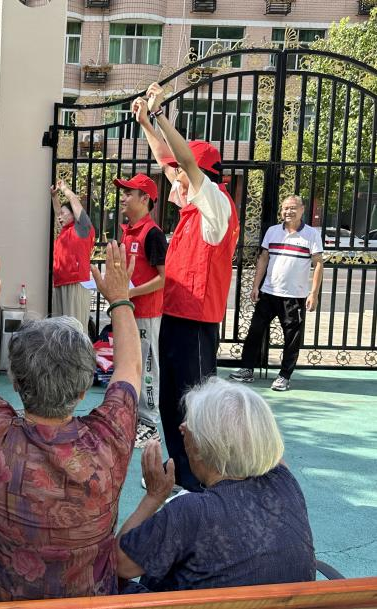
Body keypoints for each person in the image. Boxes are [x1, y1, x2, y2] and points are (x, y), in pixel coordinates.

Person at [0, 244, 141, 601]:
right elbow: (131, 368)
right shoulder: (109, 438)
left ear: (15, 381)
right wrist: (120, 299)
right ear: (85, 388)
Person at [133, 83, 239, 492]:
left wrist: (161, 115)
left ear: (199, 176)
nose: (172, 178)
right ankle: (180, 469)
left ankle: (199, 482)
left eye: (180, 173)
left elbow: (185, 165)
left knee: (195, 406)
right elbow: (169, 160)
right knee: (171, 400)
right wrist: (147, 123)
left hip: (196, 324)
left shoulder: (216, 206)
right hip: (176, 318)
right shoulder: (193, 209)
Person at [116, 378, 315, 591]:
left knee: (109, 584)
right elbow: (265, 446)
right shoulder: (283, 481)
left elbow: (118, 564)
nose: (183, 429)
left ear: (201, 447)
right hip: (292, 602)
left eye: (190, 425)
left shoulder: (191, 512)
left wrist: (154, 496)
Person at [230, 195, 323, 391]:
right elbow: (264, 258)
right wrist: (256, 285)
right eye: (285, 208)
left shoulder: (311, 234)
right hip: (268, 292)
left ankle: (284, 376)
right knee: (255, 331)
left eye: (293, 208)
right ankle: (247, 369)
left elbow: (318, 264)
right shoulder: (272, 231)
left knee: (292, 338)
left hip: (294, 296)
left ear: (302, 209)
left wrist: (313, 294)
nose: (288, 212)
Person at [115, 173, 167, 448]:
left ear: (145, 198)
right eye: (123, 192)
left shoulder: (152, 234)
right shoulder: (128, 231)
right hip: (129, 311)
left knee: (147, 366)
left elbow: (163, 278)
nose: (123, 198)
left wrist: (131, 294)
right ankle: (132, 418)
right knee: (128, 363)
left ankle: (149, 425)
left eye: (128, 193)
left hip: (146, 313)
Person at [50, 179, 96, 330]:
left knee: (75, 328)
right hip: (60, 282)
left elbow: (74, 202)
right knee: (60, 329)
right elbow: (58, 212)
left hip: (76, 283)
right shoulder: (65, 231)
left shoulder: (82, 228)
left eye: (64, 213)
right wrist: (54, 197)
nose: (60, 216)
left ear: (74, 215)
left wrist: (64, 189)